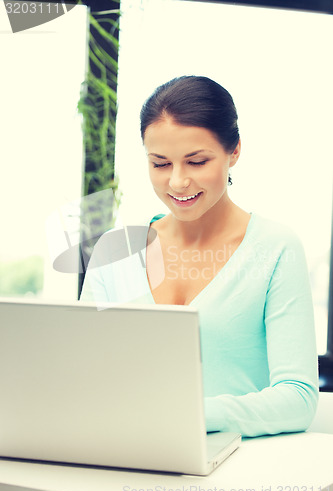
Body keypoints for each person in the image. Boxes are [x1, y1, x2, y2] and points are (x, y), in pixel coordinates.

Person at [80, 75, 319, 437]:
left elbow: (298, 398)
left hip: (237, 470)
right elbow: (81, 375)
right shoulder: (115, 253)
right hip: (126, 455)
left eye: (196, 161)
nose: (177, 182)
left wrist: (187, 414)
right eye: (160, 164)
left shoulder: (276, 248)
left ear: (234, 151)